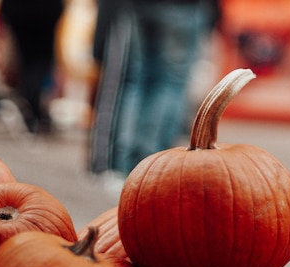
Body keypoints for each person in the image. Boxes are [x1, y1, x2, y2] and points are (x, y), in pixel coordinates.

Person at [89, 0, 221, 180]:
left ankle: (123, 162)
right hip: (185, 7)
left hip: (142, 6)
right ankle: (154, 163)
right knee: (171, 83)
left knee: (137, 79)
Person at [0, 0, 66, 133]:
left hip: (20, 9)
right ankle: (31, 105)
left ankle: (29, 104)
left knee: (28, 59)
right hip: (44, 10)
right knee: (40, 60)